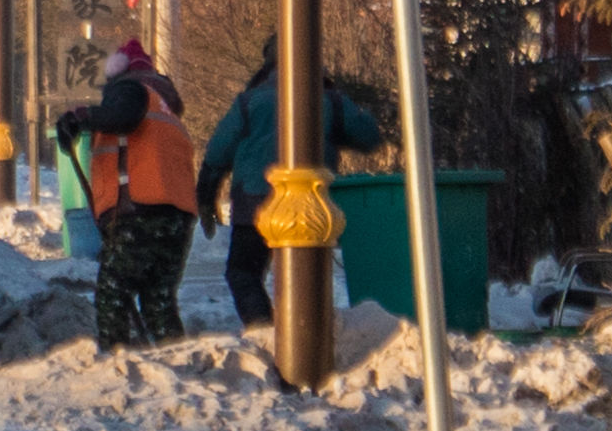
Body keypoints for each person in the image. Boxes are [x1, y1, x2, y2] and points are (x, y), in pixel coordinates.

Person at [192, 42, 390, 329]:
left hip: (256, 201)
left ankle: (262, 328)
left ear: (268, 65)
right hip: (313, 205)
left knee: (243, 272)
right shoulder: (329, 100)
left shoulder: (250, 101)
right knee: (304, 277)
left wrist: (206, 197)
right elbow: (369, 136)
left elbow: (216, 154)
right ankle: (306, 337)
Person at [47, 42, 199, 344]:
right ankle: (176, 360)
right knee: (158, 298)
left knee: (112, 289)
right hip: (176, 218)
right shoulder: (165, 106)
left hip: (140, 211)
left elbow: (122, 116)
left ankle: (116, 361)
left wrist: (81, 116)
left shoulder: (131, 88)